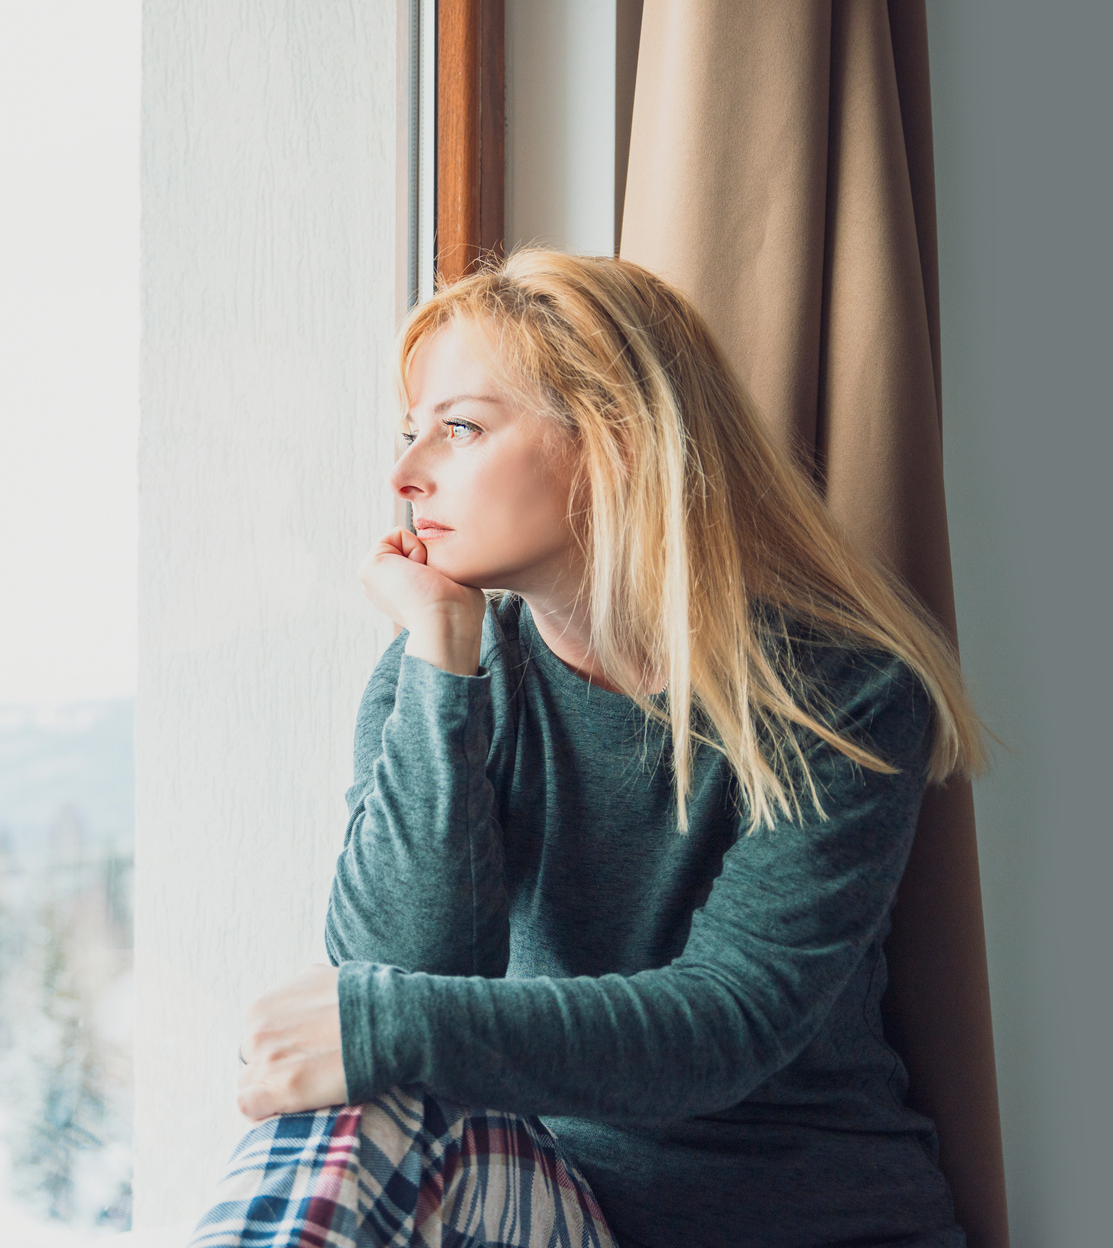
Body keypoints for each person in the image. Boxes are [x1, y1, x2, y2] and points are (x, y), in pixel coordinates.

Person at [185, 250, 987, 1248]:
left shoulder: (842, 691)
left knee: (372, 1045)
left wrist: (379, 1023)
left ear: (611, 441)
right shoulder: (442, 671)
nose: (404, 475)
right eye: (409, 434)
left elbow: (730, 1021)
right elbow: (402, 967)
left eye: (459, 428)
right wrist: (439, 661)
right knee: (358, 1102)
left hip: (804, 1225)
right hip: (561, 1212)